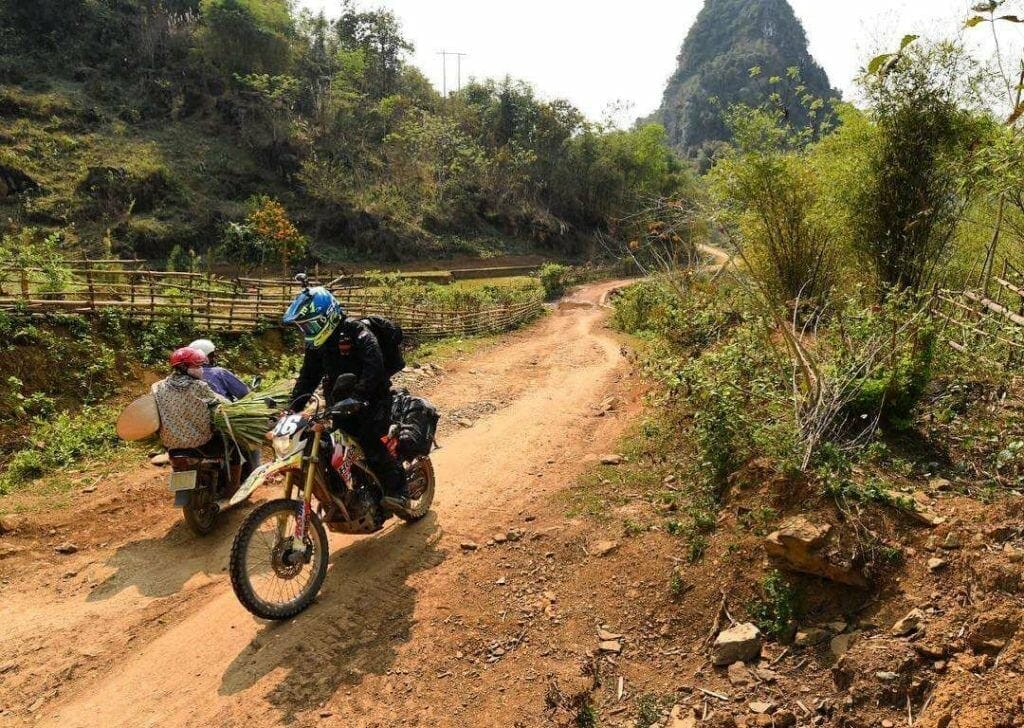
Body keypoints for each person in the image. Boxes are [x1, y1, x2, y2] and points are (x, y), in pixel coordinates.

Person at [283, 284, 409, 513]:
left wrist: (360, 396)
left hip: (372, 398)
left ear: (327, 316)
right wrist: (292, 409)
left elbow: (375, 363)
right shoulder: (316, 346)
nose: (307, 331)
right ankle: (353, 493)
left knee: (371, 444)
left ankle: (398, 491)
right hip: (340, 403)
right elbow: (308, 378)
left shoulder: (355, 329)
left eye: (311, 324)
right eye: (304, 327)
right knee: (335, 448)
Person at [152, 348, 228, 454]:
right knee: (231, 446)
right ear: (184, 367)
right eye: (197, 366)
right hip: (201, 443)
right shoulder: (199, 386)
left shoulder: (157, 387)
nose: (201, 369)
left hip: (170, 444)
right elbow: (219, 404)